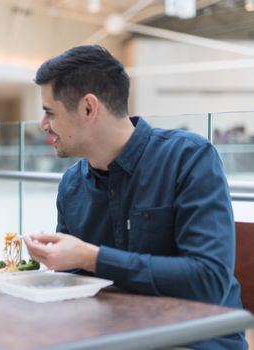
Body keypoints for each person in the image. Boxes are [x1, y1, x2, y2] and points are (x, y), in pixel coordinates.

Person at [23, 45, 247, 350]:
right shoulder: (72, 185)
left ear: (89, 108)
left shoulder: (188, 158)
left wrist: (92, 257)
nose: (43, 125)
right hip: (112, 337)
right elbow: (77, 286)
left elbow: (208, 281)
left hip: (194, 340)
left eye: (50, 112)